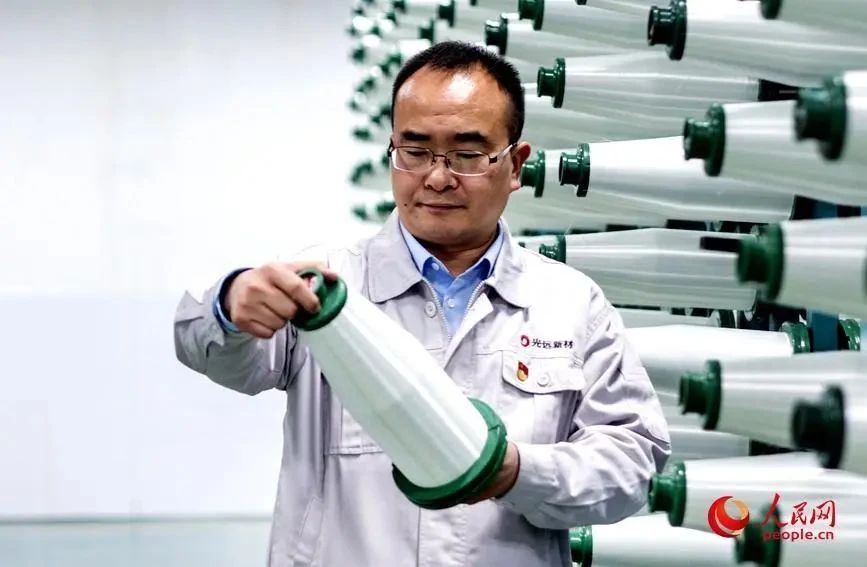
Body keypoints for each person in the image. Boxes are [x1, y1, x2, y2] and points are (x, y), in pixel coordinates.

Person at [174, 41, 670, 567]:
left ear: (516, 165)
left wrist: (516, 472)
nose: (437, 177)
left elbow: (632, 464)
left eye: (467, 155)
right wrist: (231, 304)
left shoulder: (570, 303)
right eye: (414, 152)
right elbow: (204, 348)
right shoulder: (321, 284)